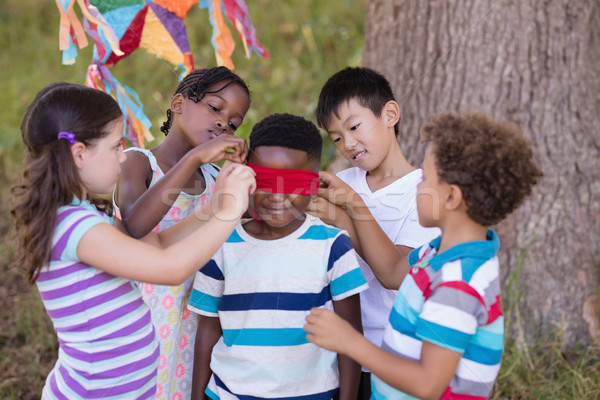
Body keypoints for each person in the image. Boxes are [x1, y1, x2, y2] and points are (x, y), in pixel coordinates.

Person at [11, 82, 256, 399]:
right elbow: (170, 268)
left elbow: (160, 246)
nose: (122, 158)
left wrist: (215, 208)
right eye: (115, 147)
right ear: (79, 153)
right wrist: (230, 211)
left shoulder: (85, 216)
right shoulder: (74, 226)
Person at [304, 112, 543, 399]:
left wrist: (351, 342)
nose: (417, 186)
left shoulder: (459, 283)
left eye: (425, 179)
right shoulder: (441, 251)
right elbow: (391, 270)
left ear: (452, 198)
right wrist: (346, 214)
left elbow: (428, 384)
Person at [188, 113, 368, 400]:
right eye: (266, 180)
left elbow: (351, 336)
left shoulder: (333, 246)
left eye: (293, 183)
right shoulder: (220, 242)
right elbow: (208, 328)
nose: (277, 196)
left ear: (314, 183)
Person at [114, 66, 251, 400]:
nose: (223, 123)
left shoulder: (219, 178)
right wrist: (192, 159)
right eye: (215, 108)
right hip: (141, 321)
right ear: (178, 104)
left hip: (196, 324)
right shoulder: (139, 162)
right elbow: (134, 225)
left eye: (234, 122)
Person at [308, 66, 440, 398]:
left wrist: (350, 212)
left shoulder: (425, 192)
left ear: (390, 114)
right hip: (338, 354)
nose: (348, 143)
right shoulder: (343, 182)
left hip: (396, 354)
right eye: (336, 137)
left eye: (354, 127)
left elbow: (396, 274)